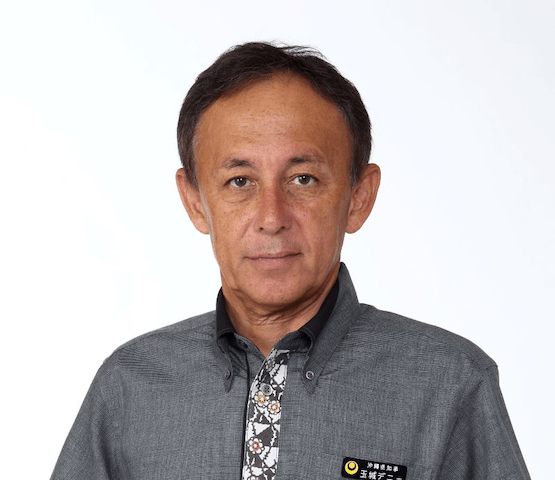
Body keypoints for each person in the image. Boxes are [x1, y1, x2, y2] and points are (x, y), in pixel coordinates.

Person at [51, 42, 530, 480]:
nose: (271, 218)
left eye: (303, 179)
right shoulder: (129, 386)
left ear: (359, 197)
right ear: (195, 201)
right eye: (240, 181)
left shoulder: (450, 383)